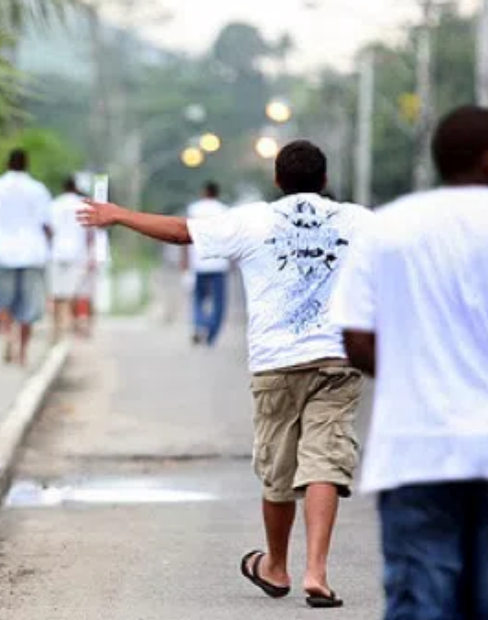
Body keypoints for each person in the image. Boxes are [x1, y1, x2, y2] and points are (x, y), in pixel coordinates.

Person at [78, 139, 371, 607]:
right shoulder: (358, 221)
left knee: (278, 472)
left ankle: (276, 566)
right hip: (336, 360)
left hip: (276, 362)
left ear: (277, 180)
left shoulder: (252, 220)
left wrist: (119, 214)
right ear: (325, 180)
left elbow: (180, 233)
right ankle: (317, 571)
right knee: (325, 462)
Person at [331, 105, 488, 620]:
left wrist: (412, 376)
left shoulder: (388, 227)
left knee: (422, 603)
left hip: (415, 447)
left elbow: (355, 338)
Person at [0, 149, 52, 366]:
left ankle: (8, 335)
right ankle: (22, 352)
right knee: (29, 306)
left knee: (2, 300)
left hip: (3, 251)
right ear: (26, 164)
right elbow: (47, 225)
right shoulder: (38, 189)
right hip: (33, 252)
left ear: (8, 163)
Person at [183, 181, 229, 345]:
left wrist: (185, 263)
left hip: (199, 262)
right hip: (219, 263)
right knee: (219, 302)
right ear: (217, 193)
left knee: (198, 299)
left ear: (204, 192)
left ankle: (200, 323)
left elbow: (185, 235)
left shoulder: (194, 209)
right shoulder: (225, 210)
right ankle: (211, 334)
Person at [49, 177, 96, 341]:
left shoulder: (54, 204)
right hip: (78, 253)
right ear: (76, 188)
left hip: (57, 252)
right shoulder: (83, 205)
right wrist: (91, 254)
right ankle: (70, 323)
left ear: (63, 188)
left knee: (56, 293)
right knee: (74, 292)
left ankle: (56, 327)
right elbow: (90, 234)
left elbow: (49, 229)